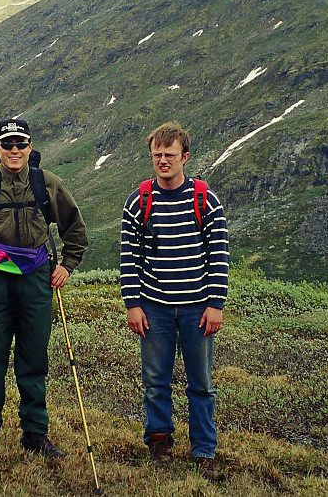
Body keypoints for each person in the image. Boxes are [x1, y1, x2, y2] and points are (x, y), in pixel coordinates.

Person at [0, 118, 89, 459]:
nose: (14, 150)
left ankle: (35, 434)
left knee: (34, 358)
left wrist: (67, 266)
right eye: (7, 144)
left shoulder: (47, 184)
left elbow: (75, 228)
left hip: (37, 280)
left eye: (20, 144)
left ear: (30, 147)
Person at [120, 121, 229, 468]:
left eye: (170, 155)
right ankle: (159, 443)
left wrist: (216, 304)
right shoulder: (139, 202)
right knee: (155, 382)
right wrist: (133, 304)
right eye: (157, 155)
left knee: (202, 383)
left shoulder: (205, 200)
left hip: (198, 308)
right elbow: (128, 257)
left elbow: (219, 255)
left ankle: (203, 451)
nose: (163, 161)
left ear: (185, 156)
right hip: (154, 308)